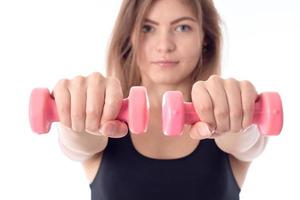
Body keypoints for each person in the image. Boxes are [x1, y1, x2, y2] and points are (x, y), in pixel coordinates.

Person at [52, 0, 268, 199]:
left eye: (182, 27)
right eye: (147, 28)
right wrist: (76, 120)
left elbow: (248, 142)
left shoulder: (231, 118)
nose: (164, 46)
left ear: (205, 39)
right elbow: (77, 144)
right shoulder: (103, 118)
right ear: (130, 38)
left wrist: (239, 121)